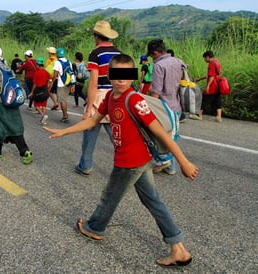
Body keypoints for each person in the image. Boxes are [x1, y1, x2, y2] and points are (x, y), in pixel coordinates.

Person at [43, 54, 198, 268]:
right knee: (152, 201)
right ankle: (178, 248)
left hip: (130, 162)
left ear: (132, 76)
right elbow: (93, 121)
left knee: (109, 198)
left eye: (126, 75)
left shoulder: (134, 99)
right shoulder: (109, 97)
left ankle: (94, 228)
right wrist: (64, 132)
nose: (121, 80)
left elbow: (160, 132)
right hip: (138, 161)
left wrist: (183, 161)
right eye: (117, 75)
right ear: (110, 75)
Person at [76, 20, 122, 176]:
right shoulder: (120, 53)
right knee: (117, 138)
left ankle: (85, 165)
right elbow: (124, 81)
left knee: (89, 135)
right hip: (116, 98)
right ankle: (126, 166)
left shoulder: (95, 54)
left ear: (96, 36)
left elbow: (93, 83)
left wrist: (88, 108)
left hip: (99, 98)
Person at [147, 39, 185, 175]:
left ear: (156, 53)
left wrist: (149, 109)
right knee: (171, 136)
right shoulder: (178, 61)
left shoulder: (159, 66)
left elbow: (156, 91)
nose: (152, 58)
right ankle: (170, 167)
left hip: (164, 108)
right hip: (177, 105)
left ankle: (163, 161)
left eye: (152, 55)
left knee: (157, 136)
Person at [193, 50, 223, 122]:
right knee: (217, 100)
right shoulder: (217, 62)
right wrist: (199, 79)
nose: (205, 60)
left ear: (207, 57)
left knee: (204, 99)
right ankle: (219, 117)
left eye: (204, 58)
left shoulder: (211, 64)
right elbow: (209, 75)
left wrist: (208, 86)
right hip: (218, 85)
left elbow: (211, 76)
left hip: (212, 85)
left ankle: (199, 115)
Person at [52, 47, 75, 123]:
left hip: (61, 84)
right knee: (64, 99)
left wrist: (52, 82)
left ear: (57, 55)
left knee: (63, 101)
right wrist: (73, 85)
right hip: (68, 83)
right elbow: (72, 73)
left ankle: (65, 116)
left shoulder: (57, 62)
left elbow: (55, 74)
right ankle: (65, 115)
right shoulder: (69, 61)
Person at [29, 57, 51, 125]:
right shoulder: (46, 72)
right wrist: (49, 87)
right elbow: (50, 80)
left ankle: (43, 115)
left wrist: (32, 92)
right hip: (45, 90)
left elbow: (35, 84)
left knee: (36, 105)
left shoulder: (37, 73)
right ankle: (44, 119)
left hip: (38, 90)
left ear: (38, 65)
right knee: (44, 105)